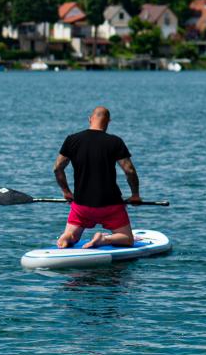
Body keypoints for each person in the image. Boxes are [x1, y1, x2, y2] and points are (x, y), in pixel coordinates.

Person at [53, 106, 142, 249]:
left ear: (90, 119)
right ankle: (103, 239)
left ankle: (67, 237)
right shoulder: (115, 142)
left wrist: (66, 192)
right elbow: (129, 171)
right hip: (110, 205)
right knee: (127, 239)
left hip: (81, 205)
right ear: (108, 121)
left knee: (73, 235)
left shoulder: (72, 140)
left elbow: (57, 168)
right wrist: (135, 195)